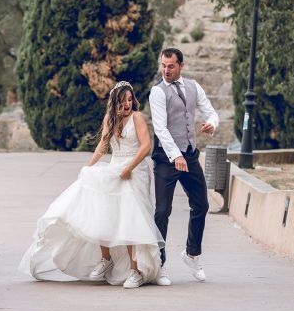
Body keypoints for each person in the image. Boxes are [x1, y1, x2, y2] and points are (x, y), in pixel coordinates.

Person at [19, 81, 164, 289]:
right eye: (123, 101)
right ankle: (106, 259)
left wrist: (129, 168)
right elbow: (103, 146)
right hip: (115, 167)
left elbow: (145, 147)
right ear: (115, 103)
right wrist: (87, 168)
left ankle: (136, 270)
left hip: (135, 170)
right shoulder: (110, 119)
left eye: (130, 100)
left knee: (131, 218)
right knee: (103, 209)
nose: (127, 104)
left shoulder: (137, 117)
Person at [149, 47, 219, 285]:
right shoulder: (157, 92)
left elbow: (211, 112)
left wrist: (211, 124)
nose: (166, 70)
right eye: (163, 66)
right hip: (166, 158)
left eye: (171, 66)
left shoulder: (193, 86)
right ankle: (159, 264)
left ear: (181, 65)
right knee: (162, 211)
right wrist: (174, 155)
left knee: (201, 205)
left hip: (189, 156)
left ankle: (191, 254)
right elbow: (160, 128)